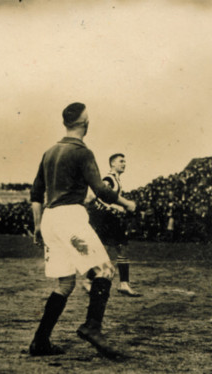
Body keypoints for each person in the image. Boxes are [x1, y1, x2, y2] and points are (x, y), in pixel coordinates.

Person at [29, 102, 136, 358]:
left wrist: (37, 225)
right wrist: (126, 203)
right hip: (70, 217)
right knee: (105, 270)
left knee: (65, 283)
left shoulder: (49, 151)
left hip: (51, 219)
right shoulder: (82, 152)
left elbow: (36, 192)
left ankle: (40, 341)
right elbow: (100, 190)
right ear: (85, 124)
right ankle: (92, 327)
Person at [85, 153, 141, 297]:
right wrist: (116, 208)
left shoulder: (116, 179)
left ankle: (93, 280)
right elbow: (100, 196)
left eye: (125, 161)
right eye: (121, 161)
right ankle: (121, 284)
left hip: (109, 219)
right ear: (113, 164)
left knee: (114, 249)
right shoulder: (109, 179)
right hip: (106, 219)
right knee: (118, 249)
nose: (124, 164)